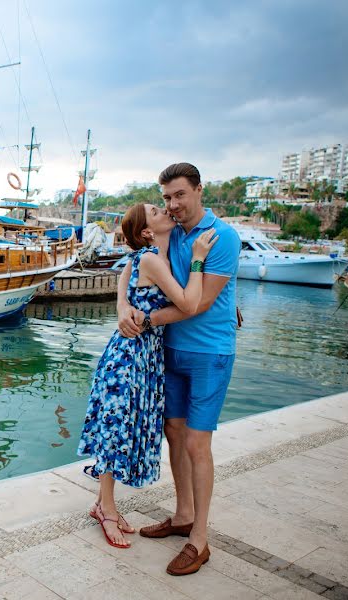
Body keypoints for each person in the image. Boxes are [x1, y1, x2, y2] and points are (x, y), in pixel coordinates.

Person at [116, 163, 240, 576]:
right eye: (167, 197)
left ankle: (199, 539)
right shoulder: (171, 234)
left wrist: (146, 321)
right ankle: (183, 513)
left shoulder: (221, 237)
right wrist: (123, 310)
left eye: (180, 195)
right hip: (171, 351)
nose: (173, 205)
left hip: (209, 352)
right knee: (173, 432)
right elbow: (134, 269)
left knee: (196, 444)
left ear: (199, 190)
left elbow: (199, 303)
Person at [78, 201, 217, 551]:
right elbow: (187, 303)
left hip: (142, 355)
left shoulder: (153, 259)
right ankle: (105, 507)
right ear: (146, 232)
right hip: (131, 354)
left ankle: (103, 503)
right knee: (117, 426)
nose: (165, 210)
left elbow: (126, 287)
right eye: (156, 211)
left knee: (121, 425)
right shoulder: (152, 259)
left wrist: (223, 301)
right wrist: (200, 257)